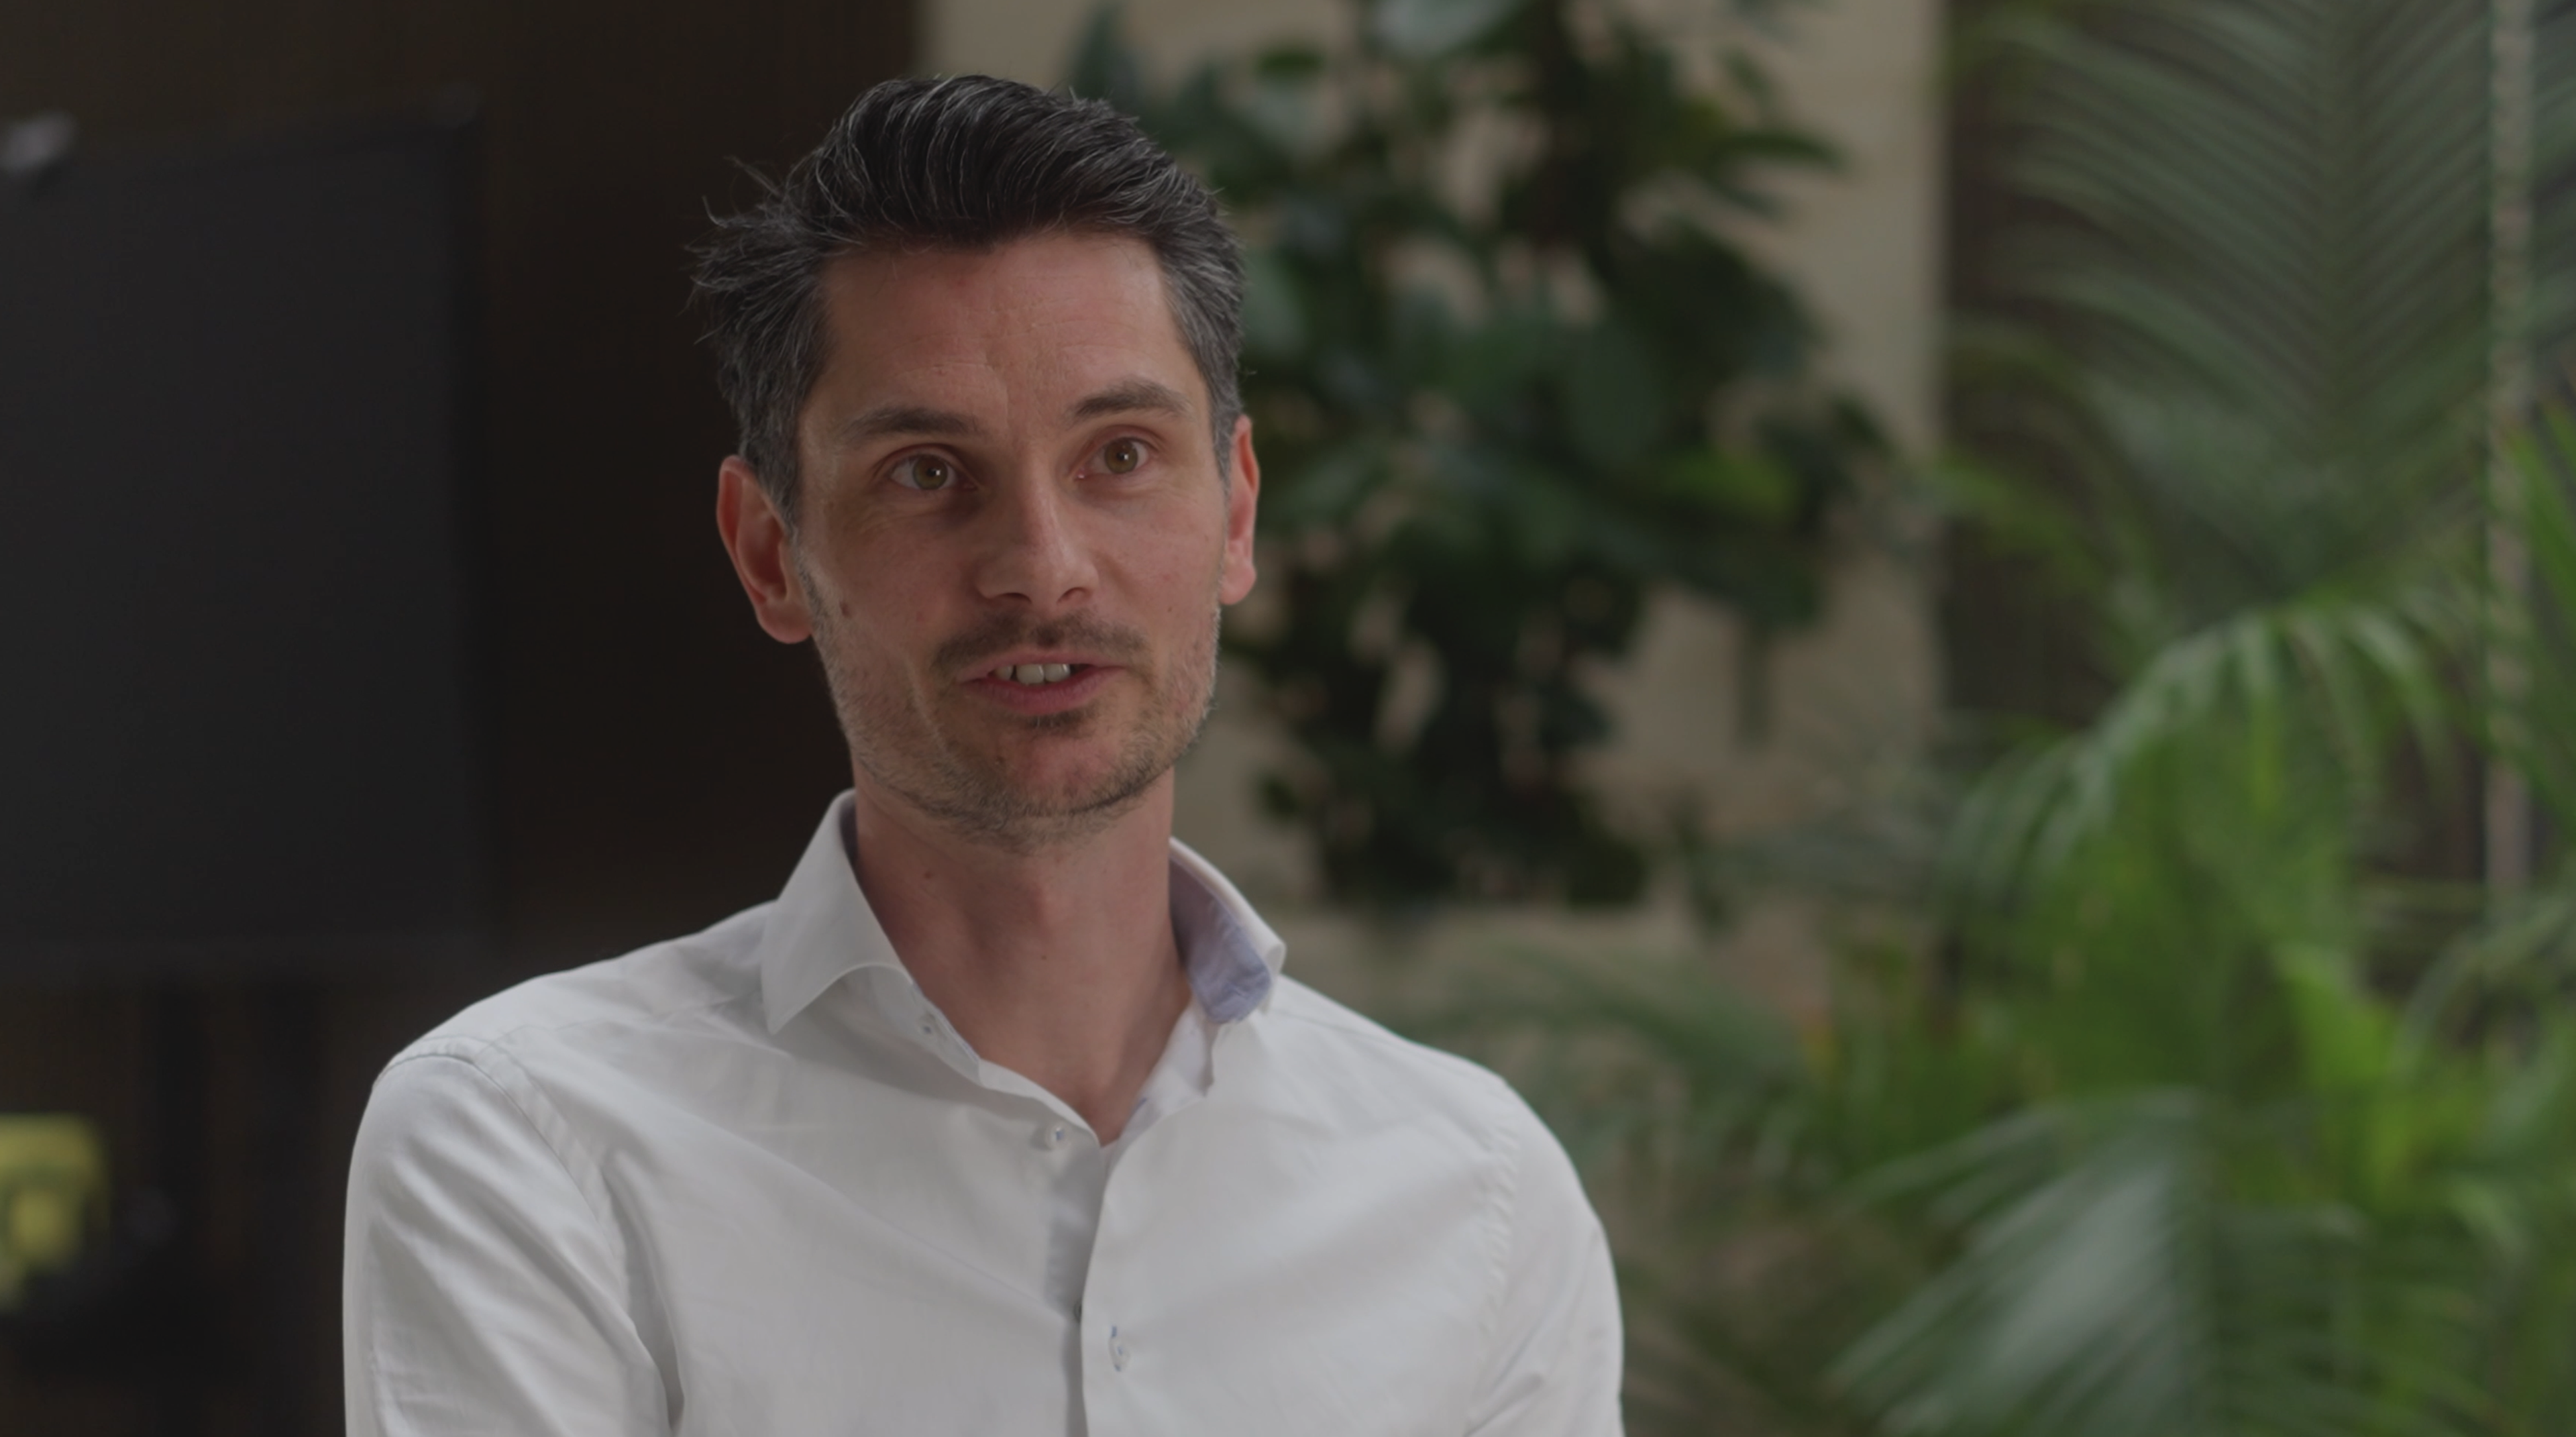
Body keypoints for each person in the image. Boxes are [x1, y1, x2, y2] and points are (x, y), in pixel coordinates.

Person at [342, 74, 1622, 1436]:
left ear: (1238, 513)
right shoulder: (530, 1144)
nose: (1042, 568)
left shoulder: (1479, 1197)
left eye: (1119, 455)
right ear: (772, 553)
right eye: (927, 473)